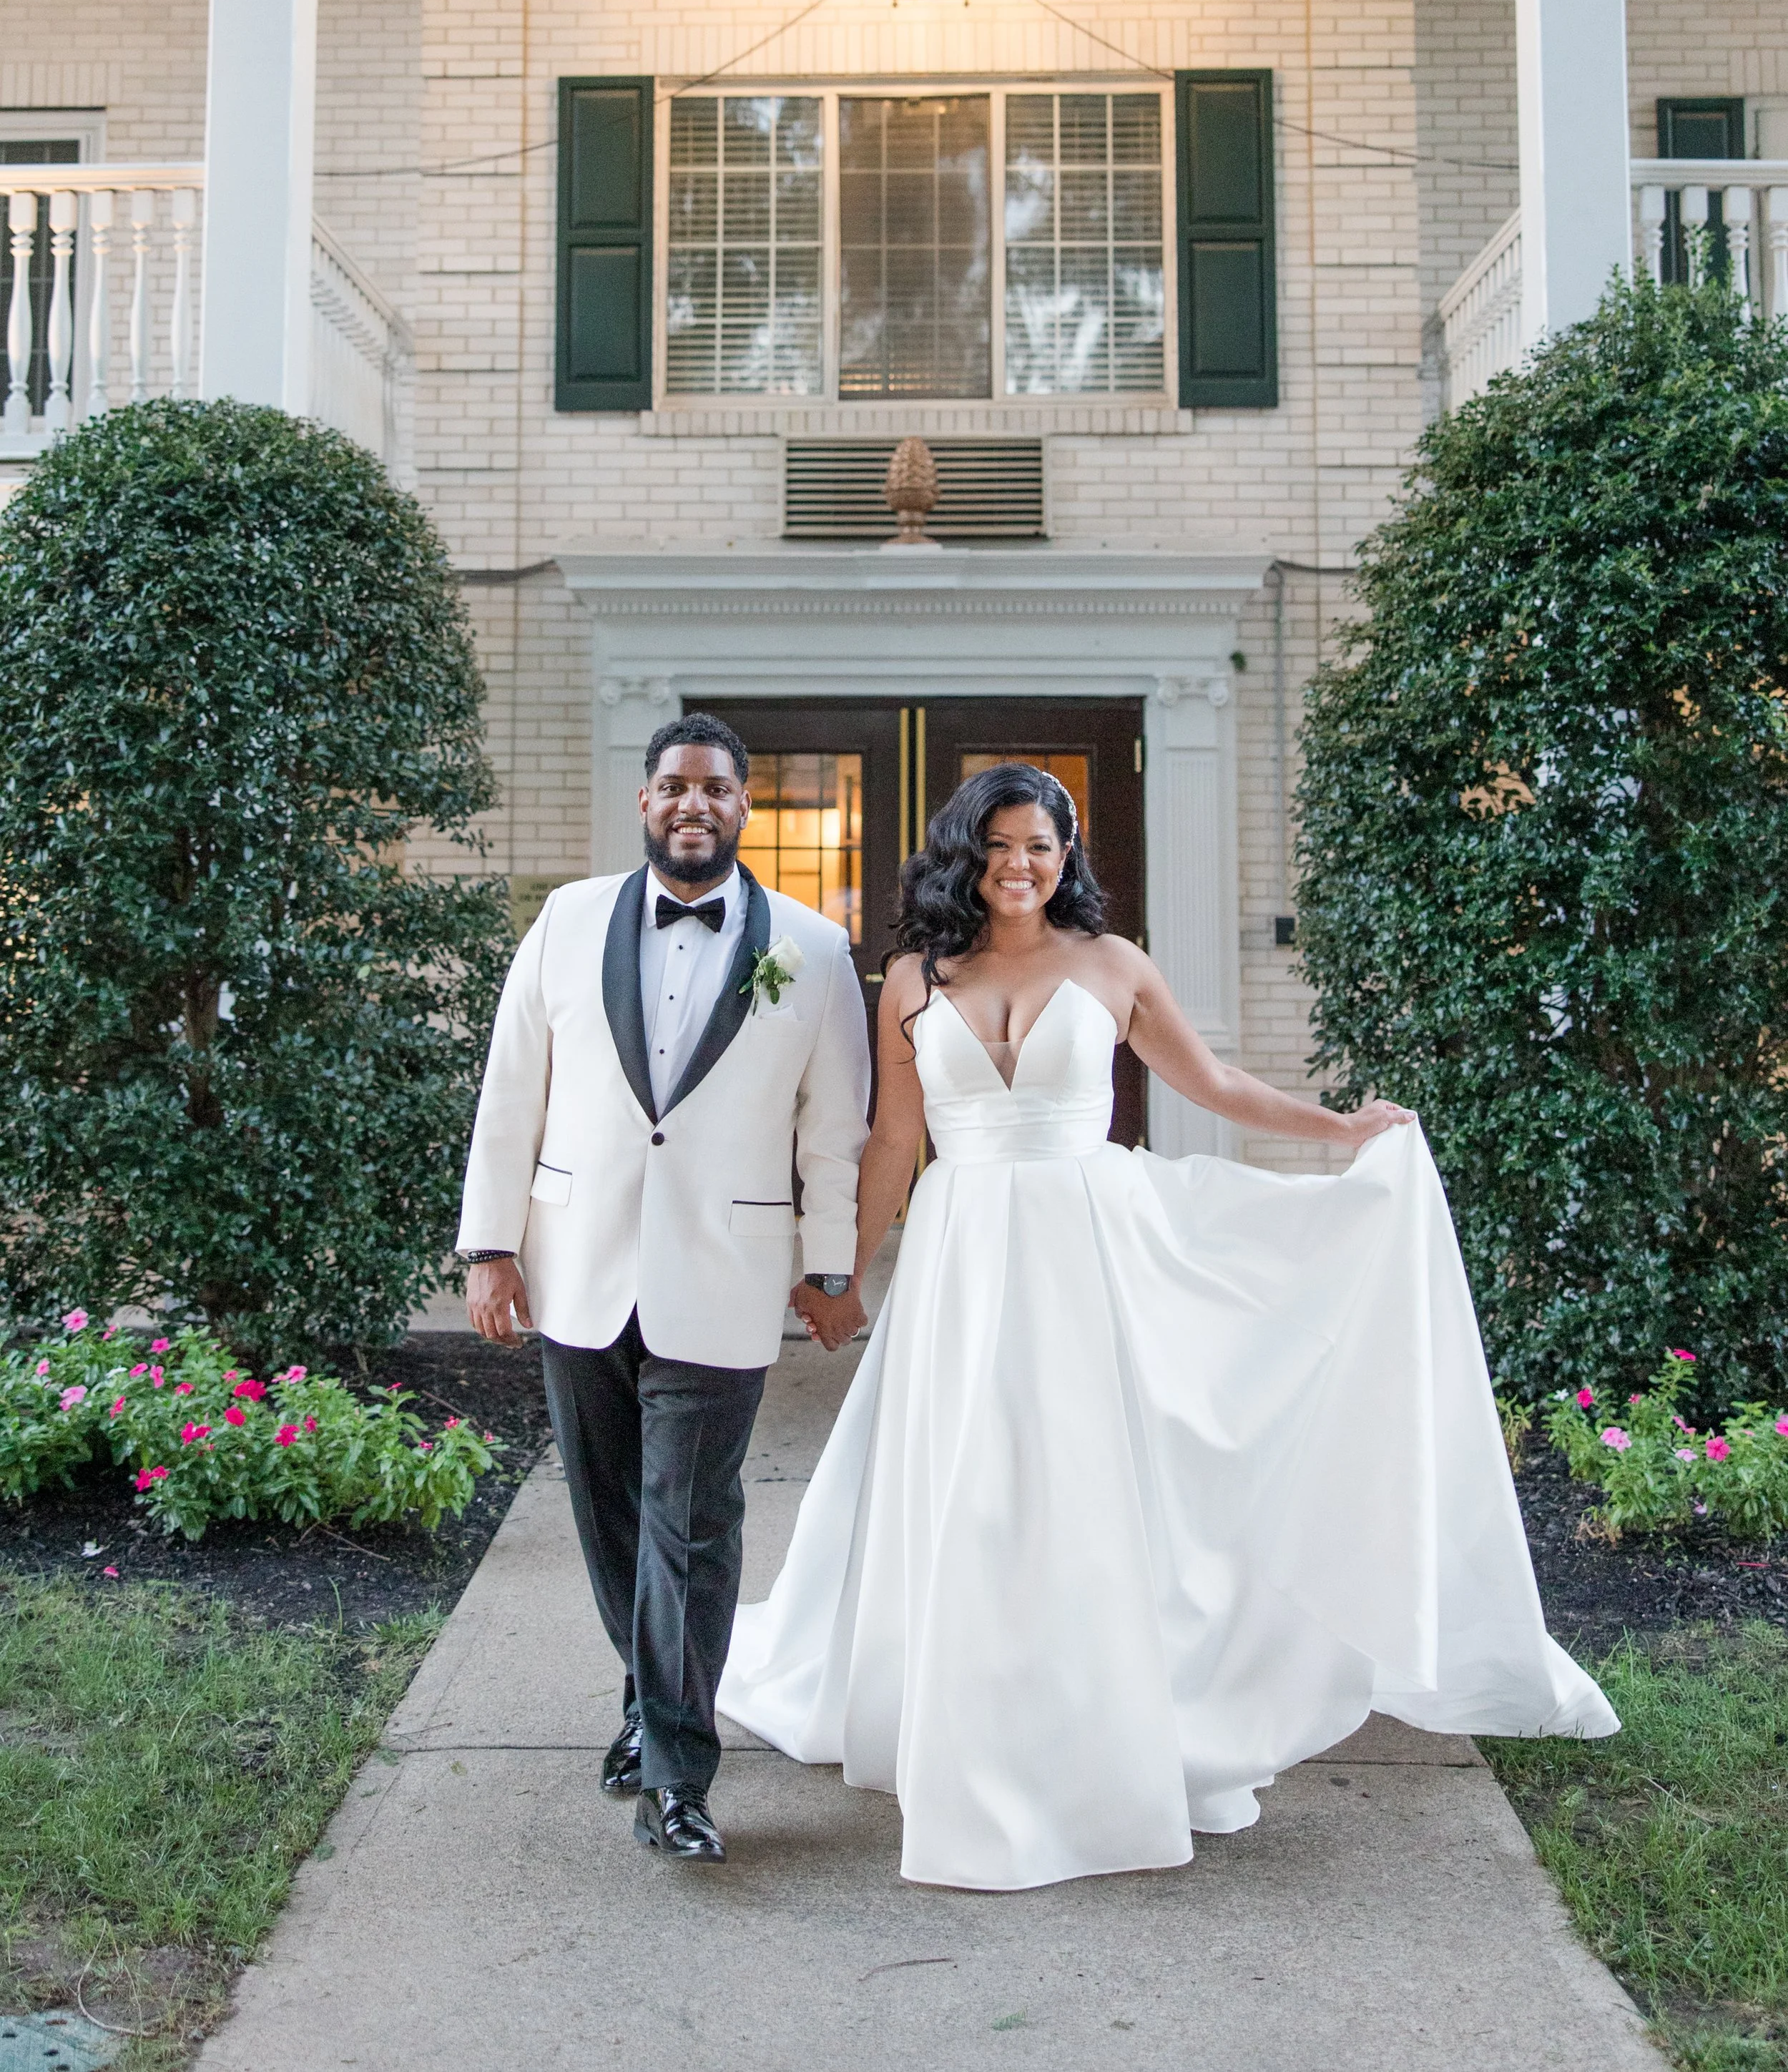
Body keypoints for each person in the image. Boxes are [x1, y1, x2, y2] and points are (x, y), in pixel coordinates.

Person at [719, 760, 1614, 1892]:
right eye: (998, 845)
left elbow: (1216, 1083)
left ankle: (1096, 1700)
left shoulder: (1113, 965)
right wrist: (840, 1272)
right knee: (968, 1475)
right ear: (966, 852)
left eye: (1039, 845)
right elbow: (895, 1141)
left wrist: (1342, 1128)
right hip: (957, 1256)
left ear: (1067, 853)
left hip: (1080, 1247)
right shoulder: (912, 975)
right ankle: (959, 1692)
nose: (1019, 865)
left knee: (1076, 1474)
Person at [457, 711, 870, 1865]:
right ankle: (649, 1696)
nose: (696, 804)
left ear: (746, 808)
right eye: (676, 787)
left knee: (687, 1519)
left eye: (719, 789)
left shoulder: (814, 948)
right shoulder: (565, 921)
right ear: (646, 802)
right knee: (610, 1514)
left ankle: (680, 1778)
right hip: (577, 1264)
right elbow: (511, 1090)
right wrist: (492, 1247)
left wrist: (827, 1265)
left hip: (724, 1271)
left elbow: (834, 1131)